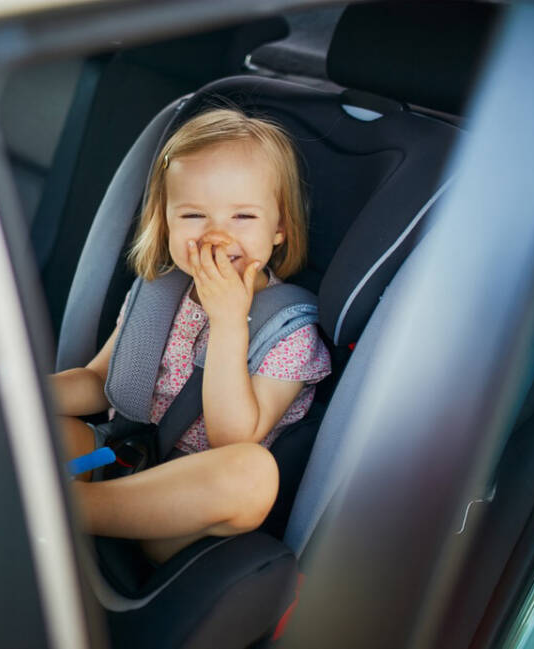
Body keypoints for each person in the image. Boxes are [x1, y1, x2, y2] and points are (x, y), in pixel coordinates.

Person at [51, 108, 331, 563]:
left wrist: (227, 323)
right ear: (166, 223)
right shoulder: (159, 293)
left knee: (251, 472)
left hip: (188, 511)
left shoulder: (290, 334)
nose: (217, 235)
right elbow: (99, 381)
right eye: (194, 215)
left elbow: (231, 438)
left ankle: (61, 510)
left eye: (243, 215)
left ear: (278, 229)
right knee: (42, 431)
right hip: (117, 460)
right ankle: (58, 506)